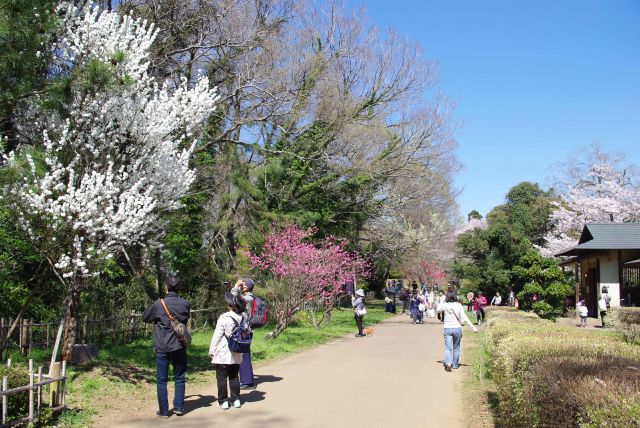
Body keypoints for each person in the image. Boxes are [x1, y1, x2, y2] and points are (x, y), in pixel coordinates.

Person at [142, 276, 190, 418]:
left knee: (162, 380)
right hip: (179, 345)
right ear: (179, 288)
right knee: (179, 377)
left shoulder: (159, 304)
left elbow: (145, 317)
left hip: (162, 345)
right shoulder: (185, 303)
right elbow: (184, 320)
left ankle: (163, 411)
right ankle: (179, 407)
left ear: (166, 288)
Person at [209, 292, 247, 410]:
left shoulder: (224, 317)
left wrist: (212, 350)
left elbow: (217, 335)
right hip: (237, 352)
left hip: (223, 353)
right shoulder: (244, 317)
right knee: (234, 376)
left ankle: (223, 401)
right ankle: (236, 400)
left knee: (222, 377)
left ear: (231, 306)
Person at [436, 291, 477, 372]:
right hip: (457, 328)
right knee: (456, 348)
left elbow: (437, 310)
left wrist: (442, 301)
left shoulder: (445, 304)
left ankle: (448, 363)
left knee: (448, 348)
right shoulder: (459, 305)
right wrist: (473, 327)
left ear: (447, 297)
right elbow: (464, 317)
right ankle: (455, 365)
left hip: (447, 328)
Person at [230, 278, 256, 390]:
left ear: (246, 287)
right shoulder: (247, 297)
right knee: (244, 355)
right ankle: (247, 380)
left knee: (244, 356)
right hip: (244, 330)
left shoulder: (249, 298)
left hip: (245, 331)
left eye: (243, 284)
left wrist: (236, 286)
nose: (241, 285)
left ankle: (247, 382)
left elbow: (234, 297)